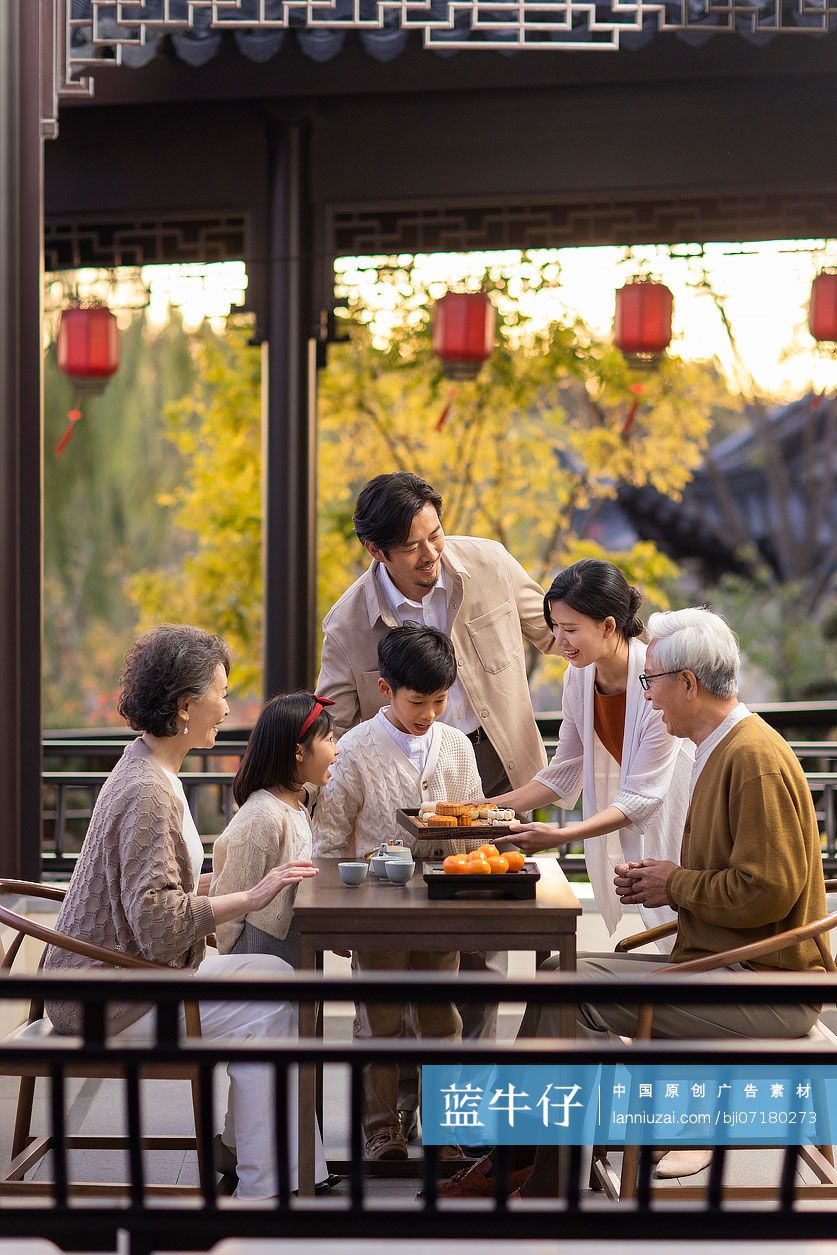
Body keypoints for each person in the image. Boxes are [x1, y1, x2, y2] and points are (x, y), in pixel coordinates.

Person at [442, 606, 827, 1198]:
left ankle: (540, 1169)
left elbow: (766, 889)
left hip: (767, 985)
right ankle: (534, 1162)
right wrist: (665, 881)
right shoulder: (723, 748)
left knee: (575, 999)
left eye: (654, 684)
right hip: (727, 961)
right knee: (560, 977)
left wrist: (672, 884)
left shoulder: (751, 759)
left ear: (689, 684)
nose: (648, 699)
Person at [43, 625, 335, 1200]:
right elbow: (157, 923)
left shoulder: (148, 768)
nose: (229, 707)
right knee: (274, 997)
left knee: (280, 984)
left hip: (120, 975)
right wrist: (249, 897)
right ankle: (266, 1186)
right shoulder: (149, 790)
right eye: (222, 694)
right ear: (185, 706)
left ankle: (287, 1173)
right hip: (112, 996)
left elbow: (147, 890)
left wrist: (222, 885)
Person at [315, 470, 559, 1128]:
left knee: (478, 950)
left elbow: (558, 635)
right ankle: (390, 1119)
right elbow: (330, 730)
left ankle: (459, 1110)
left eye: (436, 534)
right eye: (414, 546)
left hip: (492, 768)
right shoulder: (346, 624)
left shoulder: (488, 562)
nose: (432, 554)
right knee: (399, 961)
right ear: (376, 551)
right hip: (394, 788)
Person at [312, 624, 483, 1162]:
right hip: (374, 908)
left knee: (441, 1017)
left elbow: (475, 824)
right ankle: (381, 1127)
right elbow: (329, 839)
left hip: (441, 903)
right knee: (378, 1018)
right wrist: (334, 915)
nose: (430, 712)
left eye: (439, 700)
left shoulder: (455, 746)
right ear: (385, 689)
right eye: (417, 701)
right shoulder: (356, 748)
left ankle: (443, 1125)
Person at [493, 558, 694, 940]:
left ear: (608, 626)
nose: (559, 640)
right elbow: (565, 770)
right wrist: (486, 808)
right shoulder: (579, 675)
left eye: (569, 629)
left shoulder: (659, 677)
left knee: (682, 934)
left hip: (688, 817)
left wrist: (559, 834)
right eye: (554, 626)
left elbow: (643, 797)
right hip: (648, 811)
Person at [210, 692, 338, 967]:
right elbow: (230, 903)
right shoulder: (262, 816)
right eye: (328, 740)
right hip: (259, 959)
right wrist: (236, 965)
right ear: (299, 751)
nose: (336, 750)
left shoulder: (296, 807)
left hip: (291, 947)